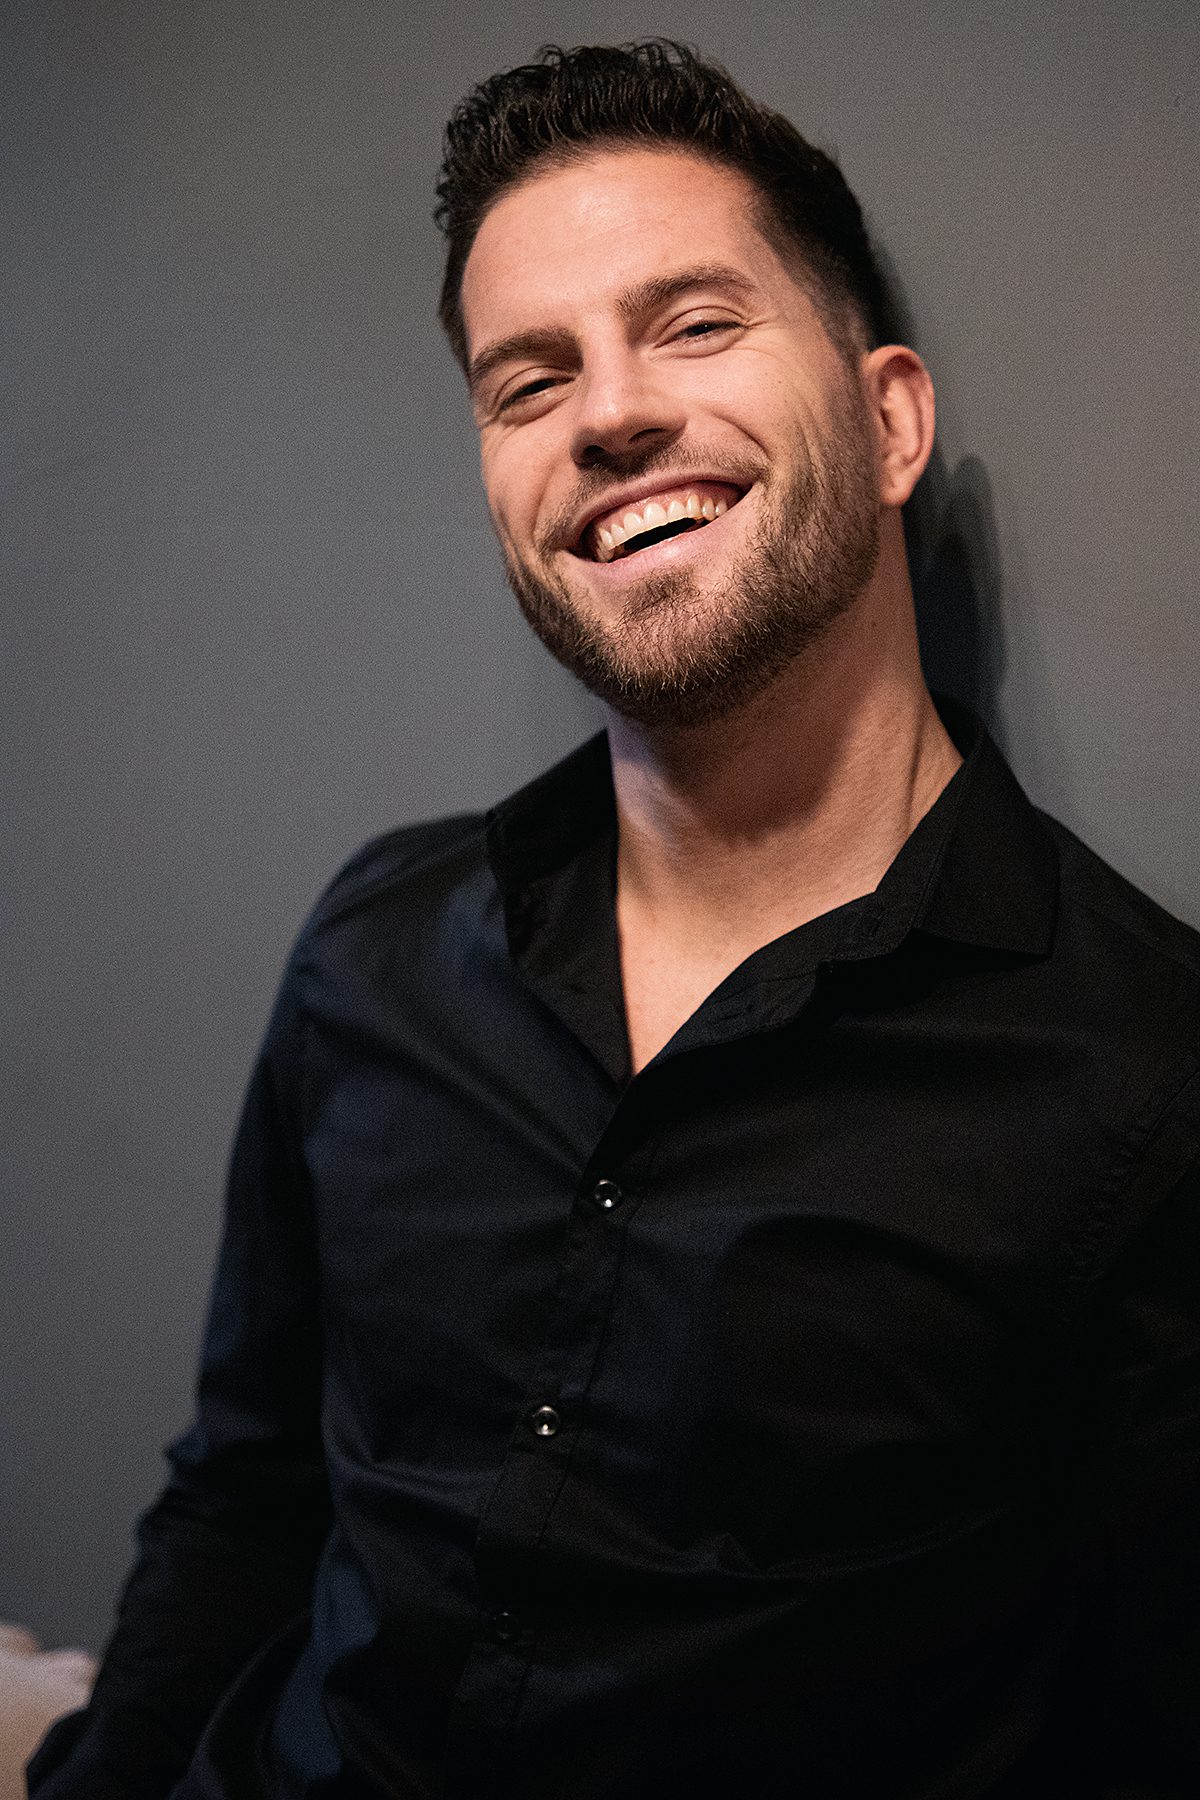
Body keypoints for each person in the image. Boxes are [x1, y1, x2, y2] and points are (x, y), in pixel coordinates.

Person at [29, 39, 1200, 1800]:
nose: (608, 415)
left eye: (695, 324)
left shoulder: (1141, 1074)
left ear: (891, 422)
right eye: (529, 380)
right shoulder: (378, 949)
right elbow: (245, 1504)